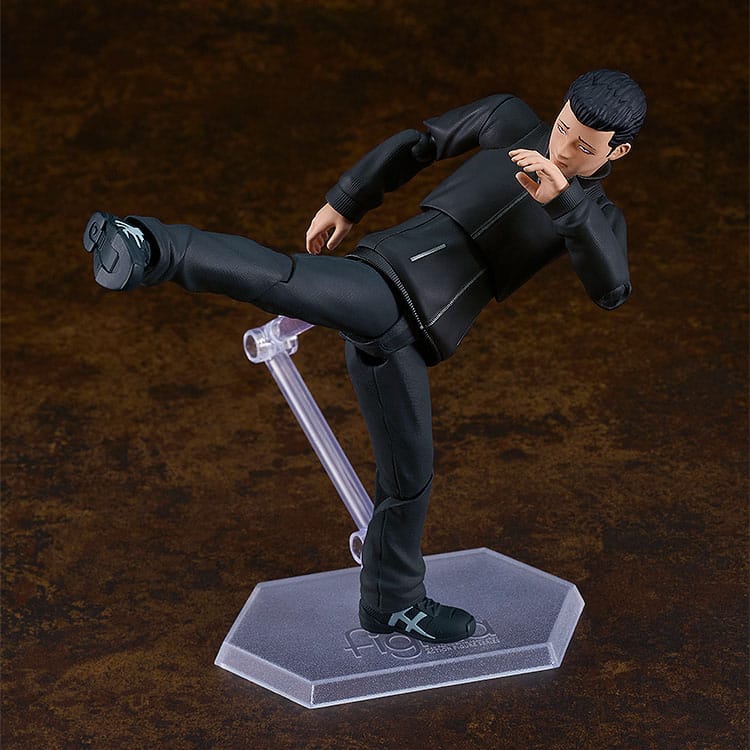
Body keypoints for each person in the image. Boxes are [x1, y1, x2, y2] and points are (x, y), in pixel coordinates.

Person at [82, 69, 646, 644]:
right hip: (385, 283)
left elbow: (612, 288)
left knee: (410, 476)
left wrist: (566, 203)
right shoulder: (510, 120)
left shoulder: (594, 215)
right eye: (562, 128)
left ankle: (391, 602)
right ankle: (149, 244)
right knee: (283, 278)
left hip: (414, 338)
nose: (562, 148)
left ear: (616, 152)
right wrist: (347, 199)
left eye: (584, 146)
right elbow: (420, 143)